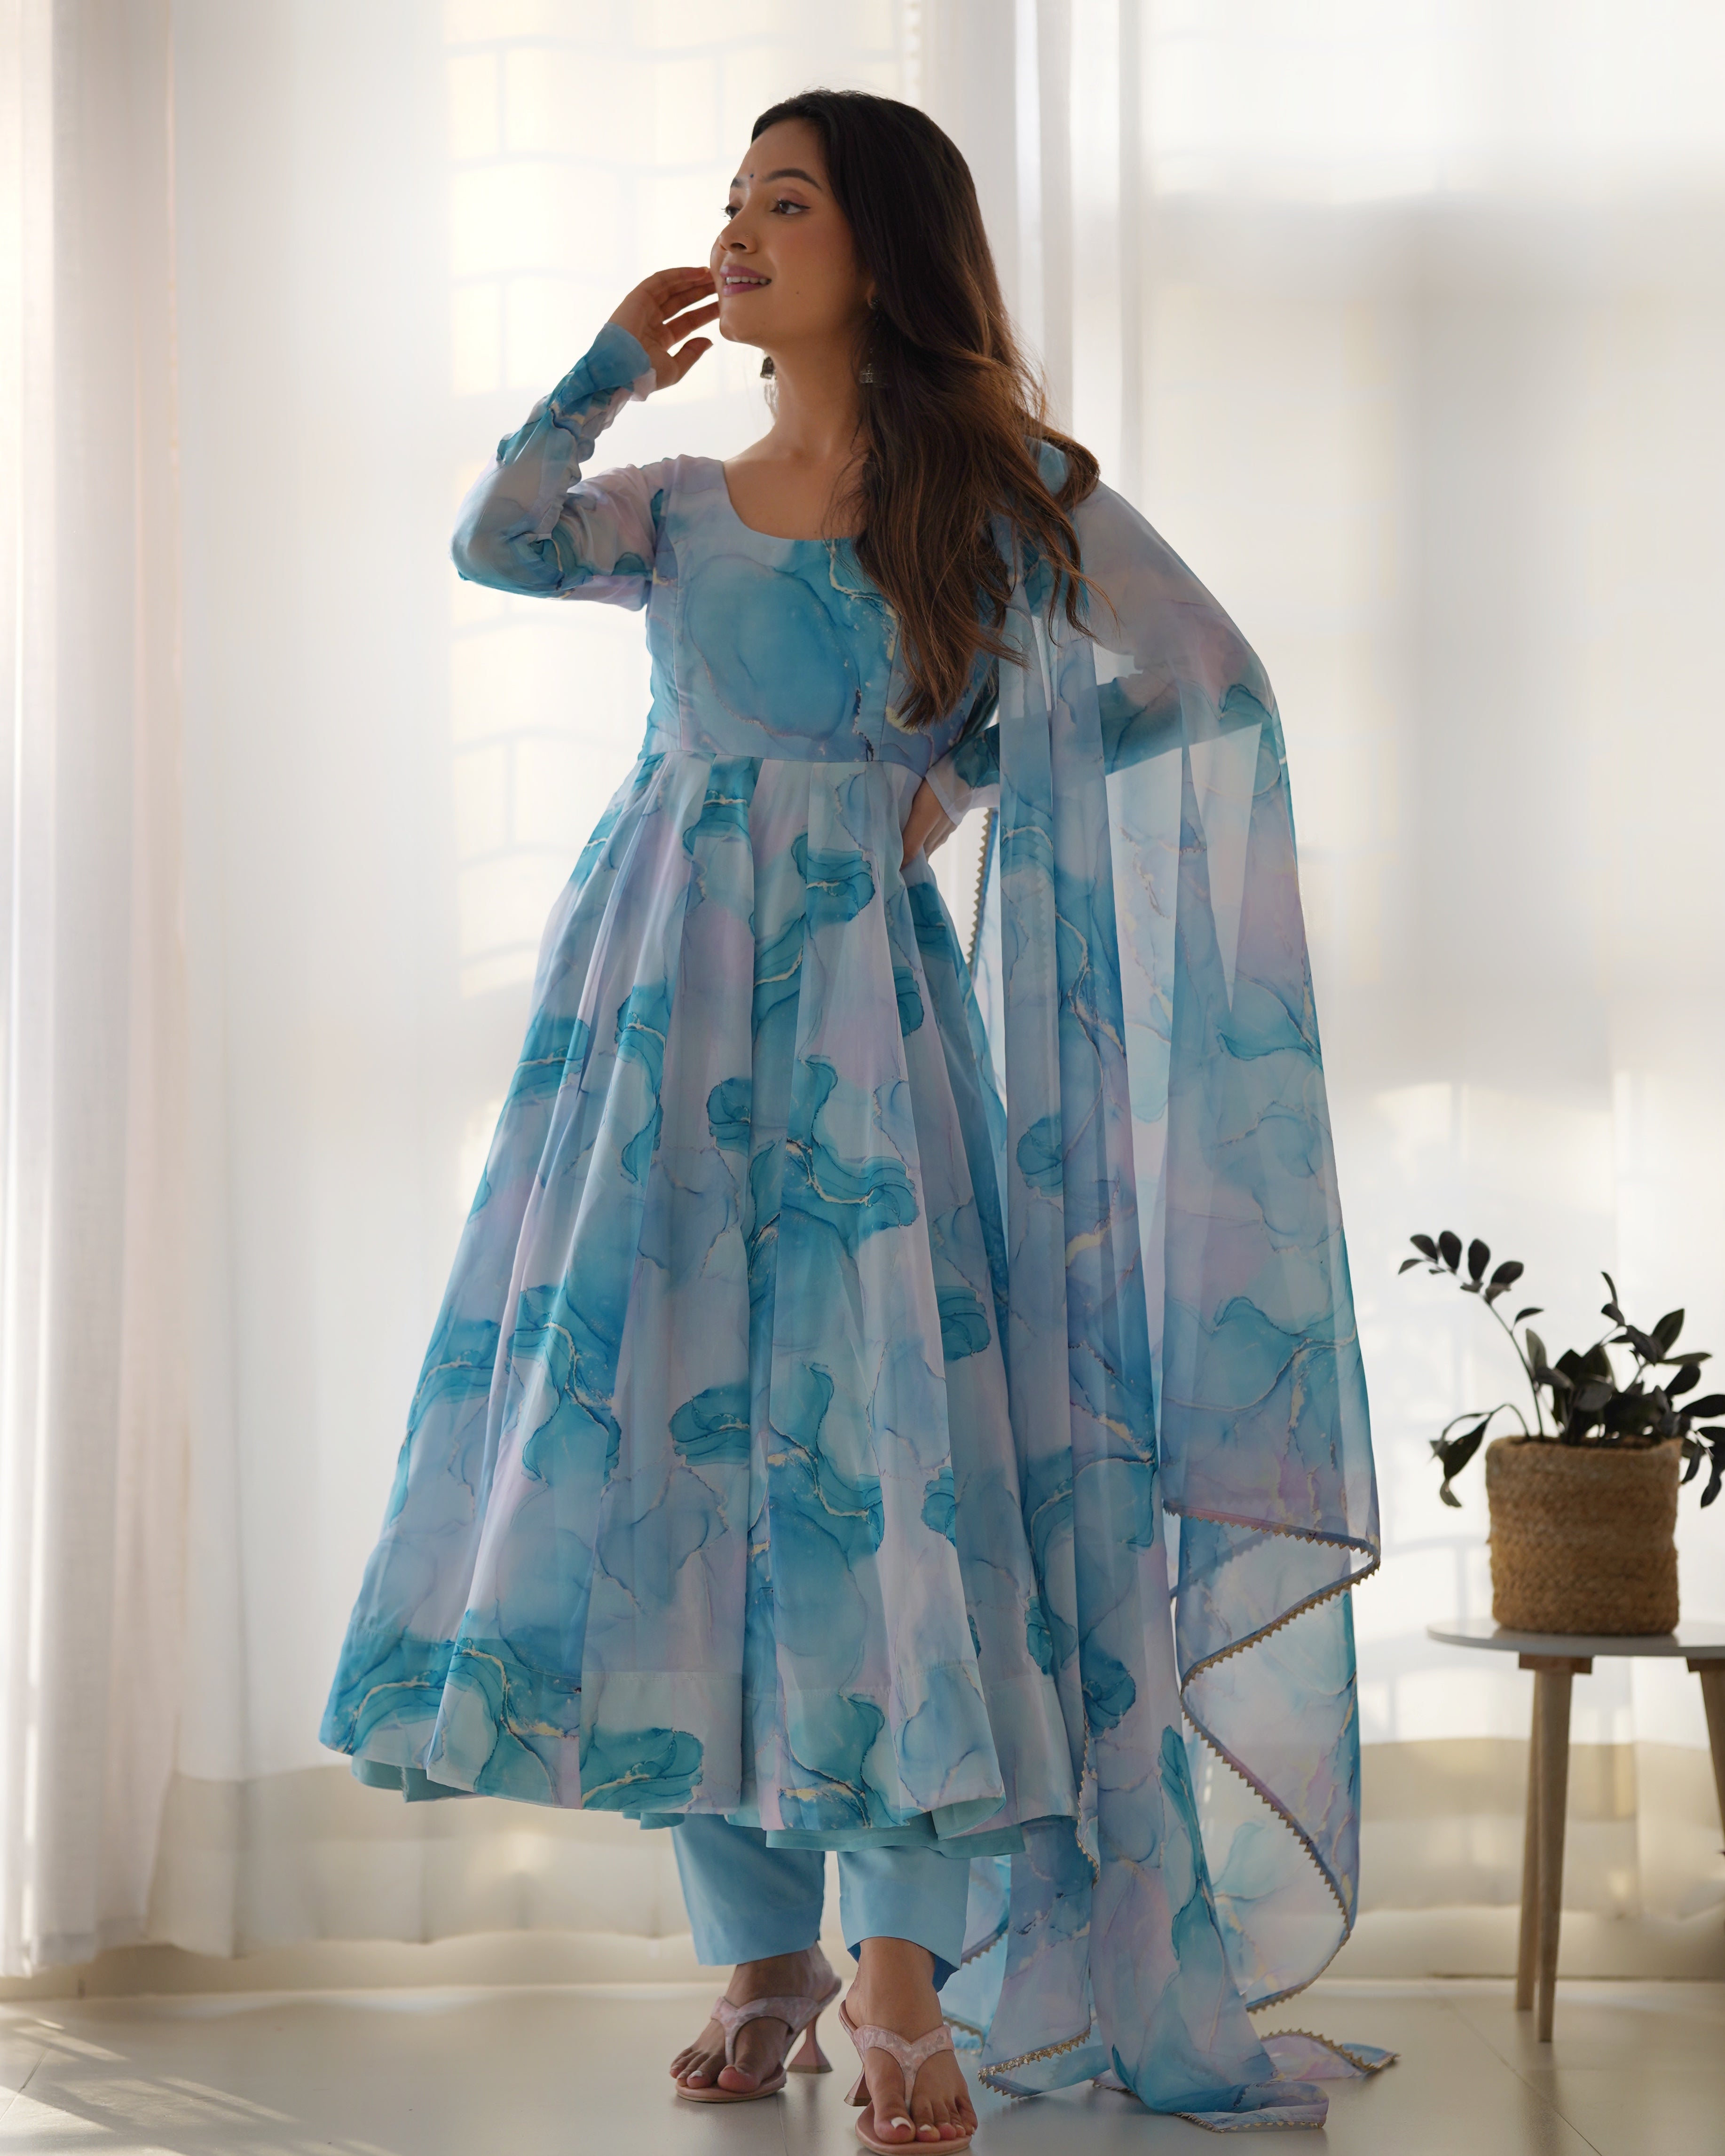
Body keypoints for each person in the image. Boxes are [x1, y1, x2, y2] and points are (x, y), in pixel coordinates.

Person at [320, 88, 1381, 2142]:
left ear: (880, 252)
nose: (739, 228)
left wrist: (979, 778)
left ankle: (903, 1973)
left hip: (873, 1061)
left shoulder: (990, 495)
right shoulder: (687, 504)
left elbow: (1197, 675)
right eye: (729, 200)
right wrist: (608, 366)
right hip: (650, 1036)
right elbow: (494, 539)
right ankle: (769, 1949)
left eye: (782, 201)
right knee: (684, 1476)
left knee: (886, 1473)